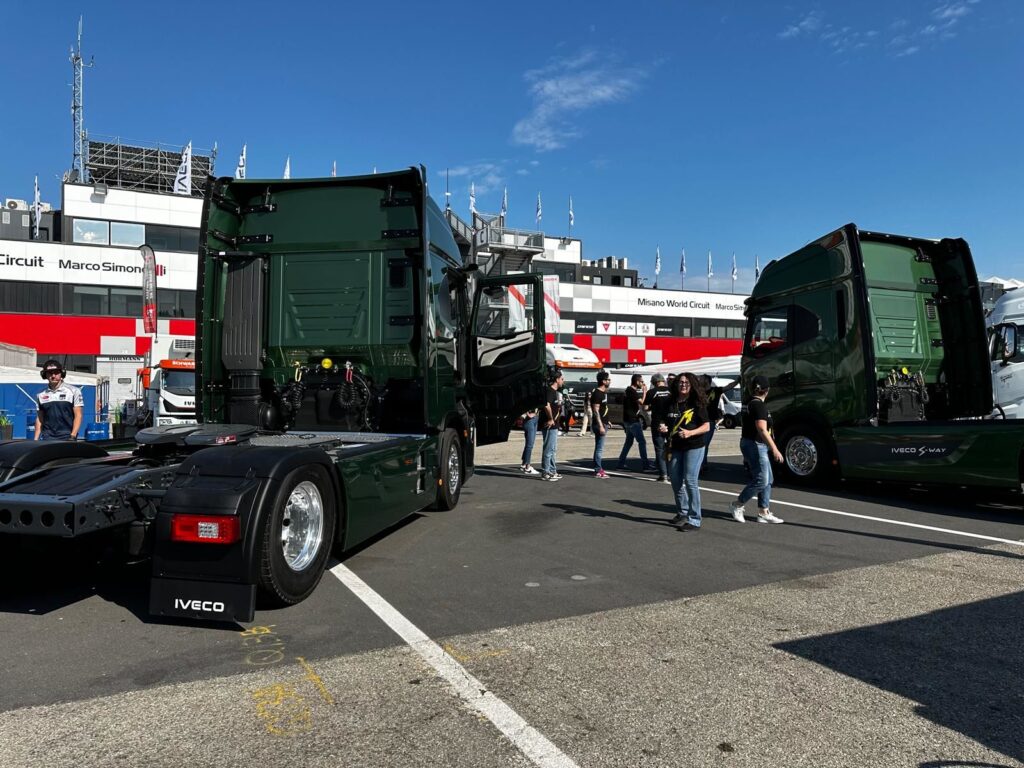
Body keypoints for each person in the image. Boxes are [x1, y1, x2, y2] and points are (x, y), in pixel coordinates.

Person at [730, 375, 785, 524]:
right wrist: (775, 449)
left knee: (768, 479)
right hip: (755, 444)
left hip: (750, 443)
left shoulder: (748, 401)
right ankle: (737, 504)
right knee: (761, 480)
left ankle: (763, 512)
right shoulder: (758, 405)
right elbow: (761, 428)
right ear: (767, 390)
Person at [661, 372, 710, 531]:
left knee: (690, 481)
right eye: (681, 382)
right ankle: (682, 512)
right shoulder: (671, 401)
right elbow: (663, 420)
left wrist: (690, 432)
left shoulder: (697, 402)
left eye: (686, 383)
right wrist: (663, 427)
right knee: (675, 480)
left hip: (694, 445)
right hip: (675, 446)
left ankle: (694, 519)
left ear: (692, 385)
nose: (683, 385)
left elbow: (707, 426)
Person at [34, 359, 83, 441]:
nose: (53, 376)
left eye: (56, 373)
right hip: (47, 437)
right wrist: (35, 439)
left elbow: (78, 415)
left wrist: (73, 435)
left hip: (67, 436)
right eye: (50, 373)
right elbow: (39, 419)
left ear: (62, 374)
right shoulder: (41, 395)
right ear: (44, 375)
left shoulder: (74, 391)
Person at [617, 373, 654, 472]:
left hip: (628, 420)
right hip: (633, 420)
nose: (642, 383)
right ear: (637, 381)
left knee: (628, 442)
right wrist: (645, 392)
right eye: (641, 381)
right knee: (642, 442)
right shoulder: (632, 391)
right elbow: (643, 403)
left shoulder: (628, 390)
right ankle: (645, 465)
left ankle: (621, 462)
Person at [644, 373, 673, 483]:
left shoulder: (652, 392)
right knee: (671, 448)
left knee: (660, 449)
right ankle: (672, 473)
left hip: (657, 423)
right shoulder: (671, 391)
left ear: (653, 382)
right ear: (663, 381)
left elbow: (645, 407)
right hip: (671, 422)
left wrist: (653, 406)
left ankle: (663, 475)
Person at [539, 366, 564, 481]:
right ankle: (545, 472)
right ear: (557, 379)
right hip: (549, 424)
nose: (563, 381)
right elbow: (546, 405)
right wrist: (550, 419)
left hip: (555, 425)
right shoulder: (550, 391)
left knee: (553, 449)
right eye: (562, 379)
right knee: (548, 449)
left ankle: (552, 470)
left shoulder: (555, 392)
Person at [699, 374, 724, 475]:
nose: (699, 380)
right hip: (700, 420)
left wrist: (737, 381)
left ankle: (702, 464)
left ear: (707, 381)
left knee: (704, 444)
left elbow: (728, 387)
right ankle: (702, 464)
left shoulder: (715, 390)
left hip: (710, 421)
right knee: (702, 444)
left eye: (701, 379)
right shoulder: (698, 391)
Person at [590, 369, 611, 478]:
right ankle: (598, 469)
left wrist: (608, 421)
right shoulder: (597, 394)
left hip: (604, 422)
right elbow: (595, 410)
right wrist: (601, 425)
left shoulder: (603, 393)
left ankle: (597, 468)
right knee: (599, 447)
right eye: (607, 379)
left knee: (599, 446)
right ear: (603, 381)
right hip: (599, 424)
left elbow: (603, 409)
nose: (609, 381)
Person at [519, 407, 540, 475]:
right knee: (529, 445)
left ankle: (524, 464)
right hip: (529, 420)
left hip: (535, 418)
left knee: (529, 444)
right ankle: (527, 467)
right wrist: (527, 414)